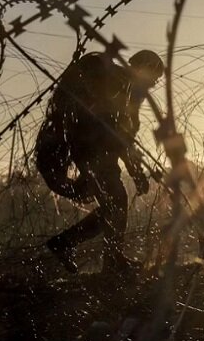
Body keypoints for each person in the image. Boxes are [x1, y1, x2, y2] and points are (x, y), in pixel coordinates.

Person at [44, 50, 163, 274]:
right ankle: (103, 257)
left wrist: (134, 168)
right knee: (115, 202)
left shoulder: (127, 89)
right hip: (92, 151)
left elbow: (124, 137)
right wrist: (133, 168)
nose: (152, 85)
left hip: (98, 152)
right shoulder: (116, 83)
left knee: (113, 204)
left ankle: (92, 252)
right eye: (153, 78)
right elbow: (116, 131)